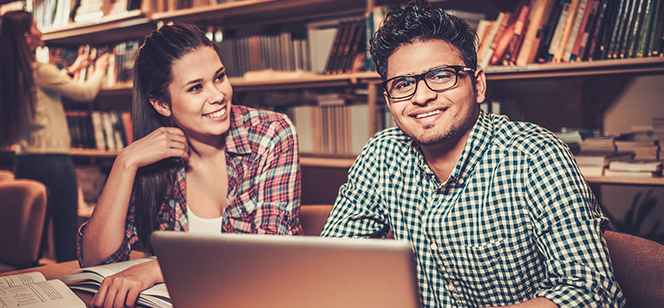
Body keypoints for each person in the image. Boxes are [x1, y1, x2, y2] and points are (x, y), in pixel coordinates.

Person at [321, 1, 625, 307]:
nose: (423, 96)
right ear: (389, 100)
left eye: (441, 76)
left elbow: (591, 291)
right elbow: (330, 265)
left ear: (478, 85)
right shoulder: (381, 154)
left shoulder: (534, 156)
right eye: (403, 84)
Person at [76, 23, 301, 307]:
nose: (218, 95)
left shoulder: (271, 134)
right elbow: (96, 260)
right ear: (161, 105)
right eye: (196, 87)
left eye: (219, 78)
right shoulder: (152, 158)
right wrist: (125, 161)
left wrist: (159, 269)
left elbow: (269, 255)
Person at [0, 10, 109, 263]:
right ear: (26, 36)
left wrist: (71, 70)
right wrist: (100, 69)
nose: (41, 31)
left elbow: (43, 93)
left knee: (29, 237)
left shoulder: (12, 74)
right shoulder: (40, 71)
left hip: (25, 161)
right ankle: (69, 290)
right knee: (66, 232)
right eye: (36, 26)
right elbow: (86, 93)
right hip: (55, 163)